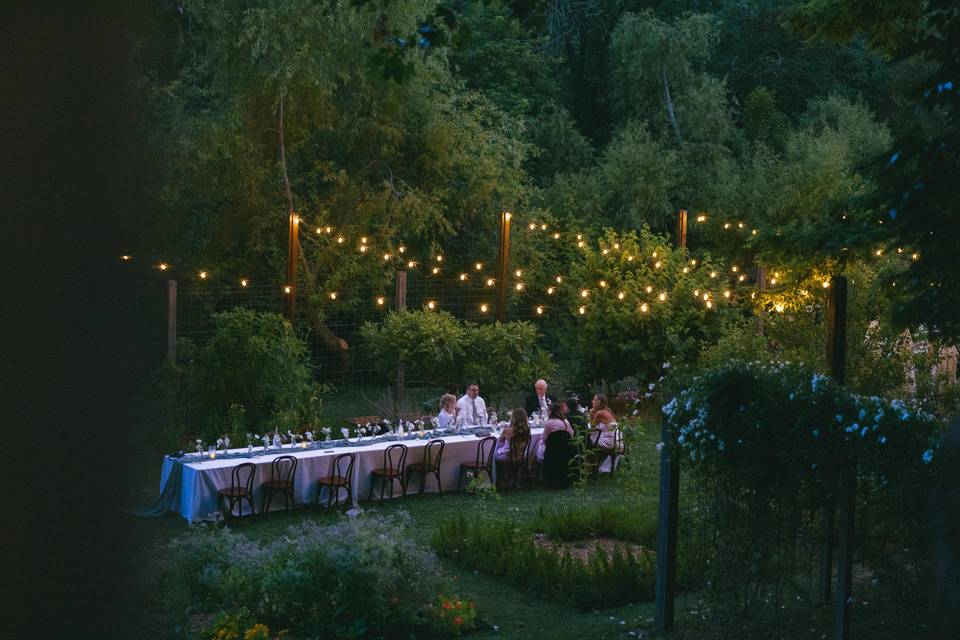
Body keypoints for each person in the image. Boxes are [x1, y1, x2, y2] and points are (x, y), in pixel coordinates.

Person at [589, 393, 623, 472]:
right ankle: (596, 463)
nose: (592, 401)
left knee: (588, 439)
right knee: (594, 436)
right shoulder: (607, 411)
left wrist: (590, 414)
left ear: (599, 402)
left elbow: (592, 427)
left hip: (609, 442)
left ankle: (592, 465)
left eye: (594, 399)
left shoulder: (599, 413)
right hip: (615, 439)